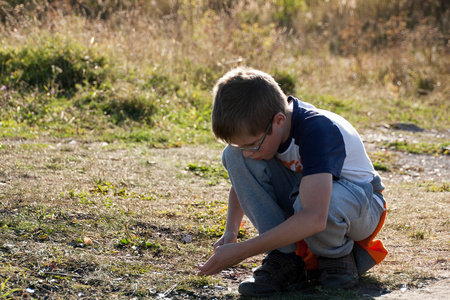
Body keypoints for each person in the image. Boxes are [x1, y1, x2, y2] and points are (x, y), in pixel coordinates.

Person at [198, 67, 387, 297]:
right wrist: (231, 233)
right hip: (308, 197)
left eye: (253, 144)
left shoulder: (317, 130)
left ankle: (336, 256)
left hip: (362, 204)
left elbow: (315, 216)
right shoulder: (271, 128)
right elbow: (243, 183)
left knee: (311, 205)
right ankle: (285, 258)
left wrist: (242, 251)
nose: (249, 153)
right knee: (233, 155)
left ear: (278, 121)